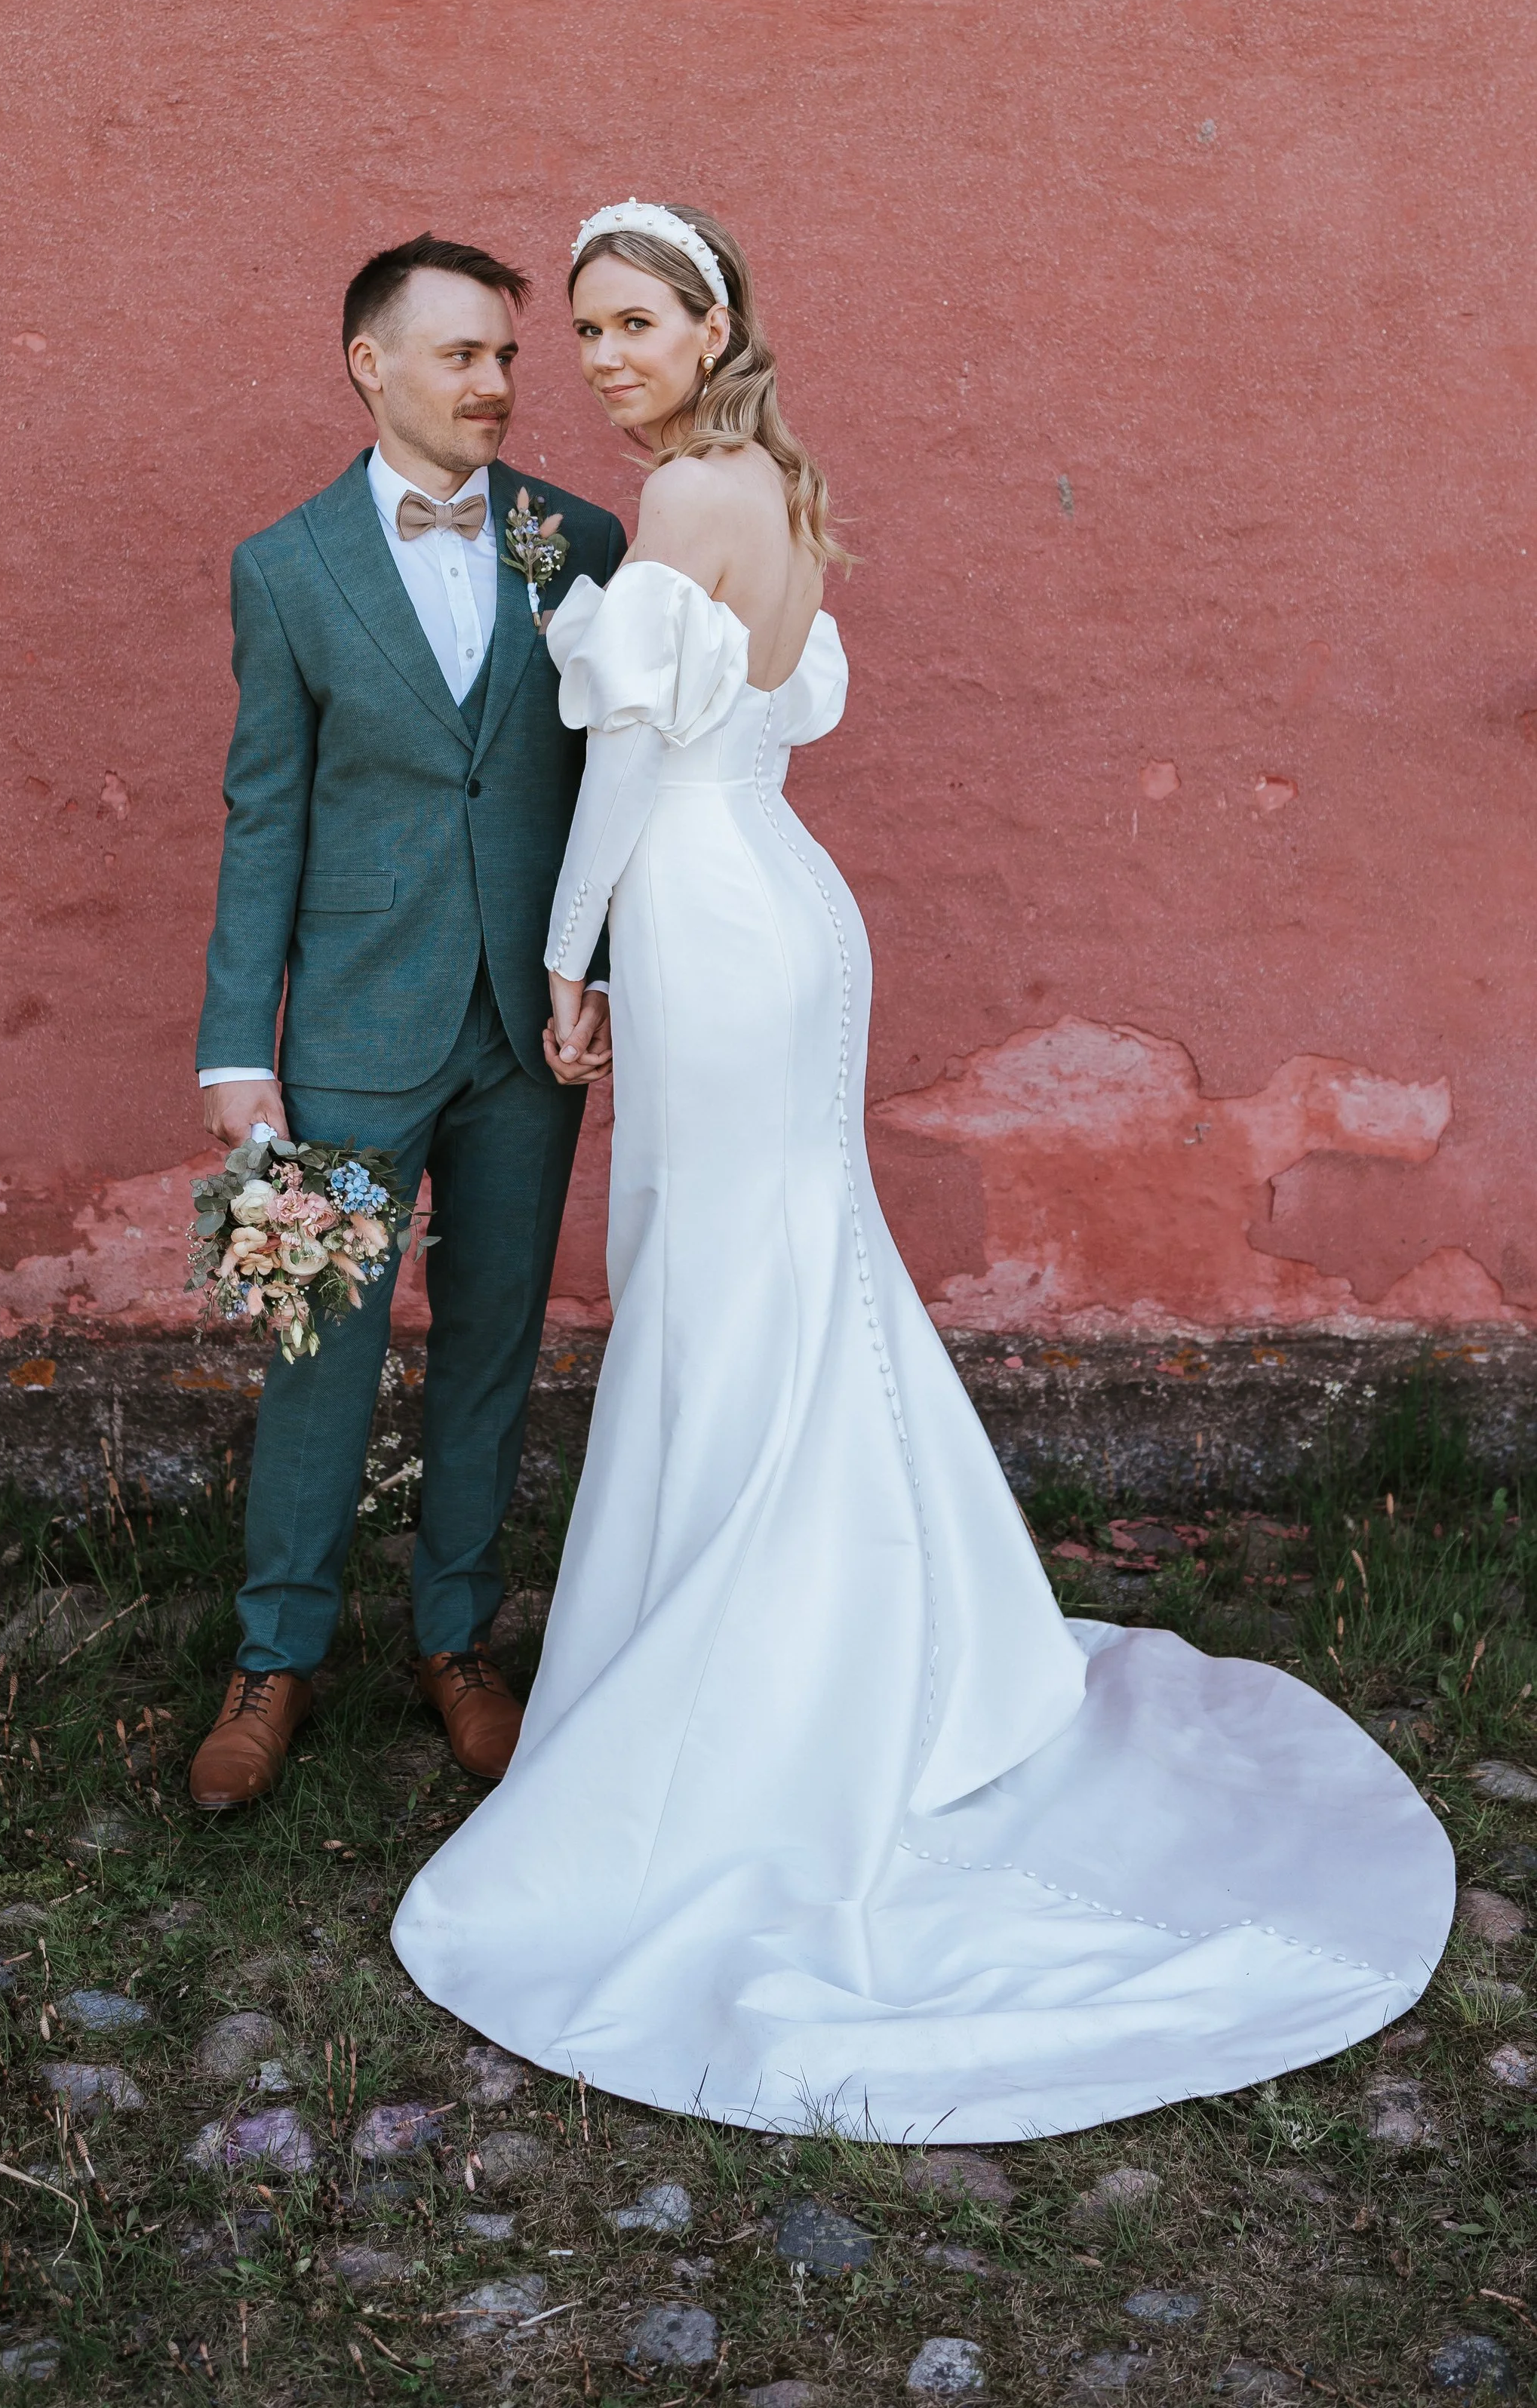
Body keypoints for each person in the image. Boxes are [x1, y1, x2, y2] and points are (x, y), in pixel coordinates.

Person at [391, 198, 1456, 2141]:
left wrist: (561, 959)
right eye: (586, 331)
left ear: (712, 329)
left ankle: (751, 1668)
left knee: (727, 1270)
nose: (603, 360)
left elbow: (623, 763)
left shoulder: (685, 499)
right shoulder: (775, 491)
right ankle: (854, 1627)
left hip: (708, 915)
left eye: (636, 325)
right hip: (784, 899)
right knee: (787, 1261)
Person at [189, 234, 626, 1812]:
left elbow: (612, 784)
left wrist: (601, 975)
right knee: (321, 1342)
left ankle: (457, 1639)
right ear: (371, 365)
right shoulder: (286, 568)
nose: (497, 383)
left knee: (493, 1340)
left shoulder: (576, 540)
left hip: (526, 1030)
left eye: (507, 356)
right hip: (351, 1028)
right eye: (462, 355)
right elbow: (265, 815)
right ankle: (276, 1657)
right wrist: (237, 1049)